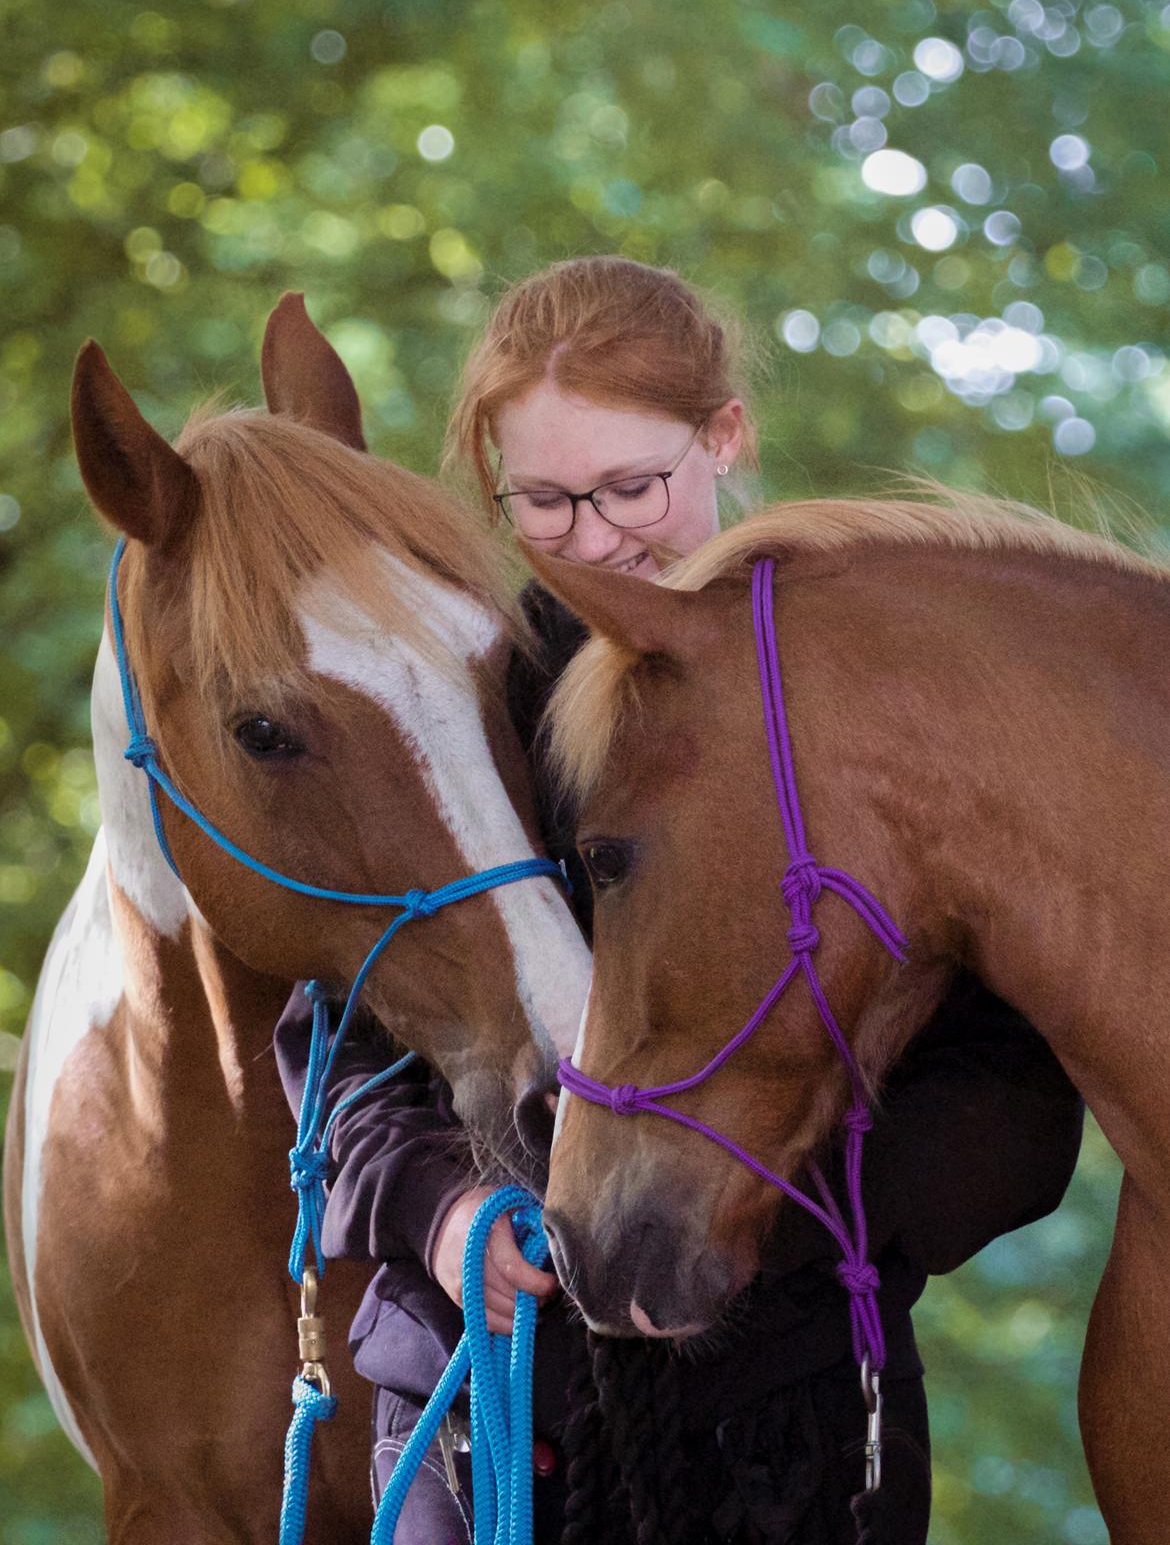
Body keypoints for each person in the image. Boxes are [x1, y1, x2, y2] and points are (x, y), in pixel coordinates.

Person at [275, 255, 1084, 1544]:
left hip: (791, 1423)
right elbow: (340, 1041)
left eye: (632, 487)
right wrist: (440, 1219)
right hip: (476, 1409)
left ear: (725, 437)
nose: (595, 541)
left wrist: (763, 1229)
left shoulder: (875, 704)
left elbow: (1012, 1094)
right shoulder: (457, 705)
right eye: (540, 502)